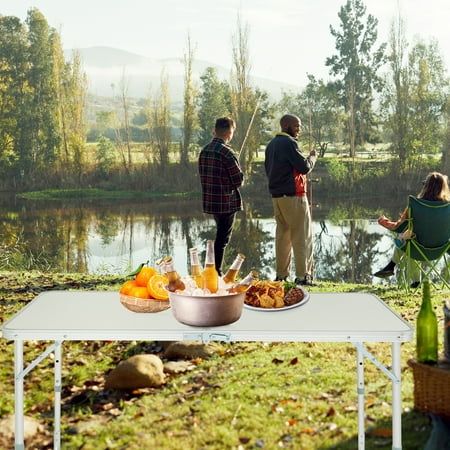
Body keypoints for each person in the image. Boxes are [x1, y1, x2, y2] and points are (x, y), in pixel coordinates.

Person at [264, 114, 317, 286]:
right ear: (286, 125)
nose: (299, 130)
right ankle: (303, 276)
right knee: (302, 236)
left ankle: (281, 275)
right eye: (296, 126)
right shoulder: (289, 143)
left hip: (277, 198)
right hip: (294, 197)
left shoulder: (271, 145)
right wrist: (312, 158)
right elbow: (304, 167)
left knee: (283, 237)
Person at [374, 171, 450, 286]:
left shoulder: (415, 204)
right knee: (410, 239)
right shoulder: (447, 207)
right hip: (440, 250)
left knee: (407, 239)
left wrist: (384, 222)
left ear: (426, 187)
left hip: (417, 249)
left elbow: (398, 227)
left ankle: (393, 268)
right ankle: (411, 279)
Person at [198, 117, 244, 275]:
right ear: (230, 133)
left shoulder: (204, 150)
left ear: (214, 130)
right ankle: (215, 272)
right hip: (226, 203)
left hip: (211, 202)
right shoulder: (227, 152)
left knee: (220, 234)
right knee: (223, 238)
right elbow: (238, 181)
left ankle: (213, 270)